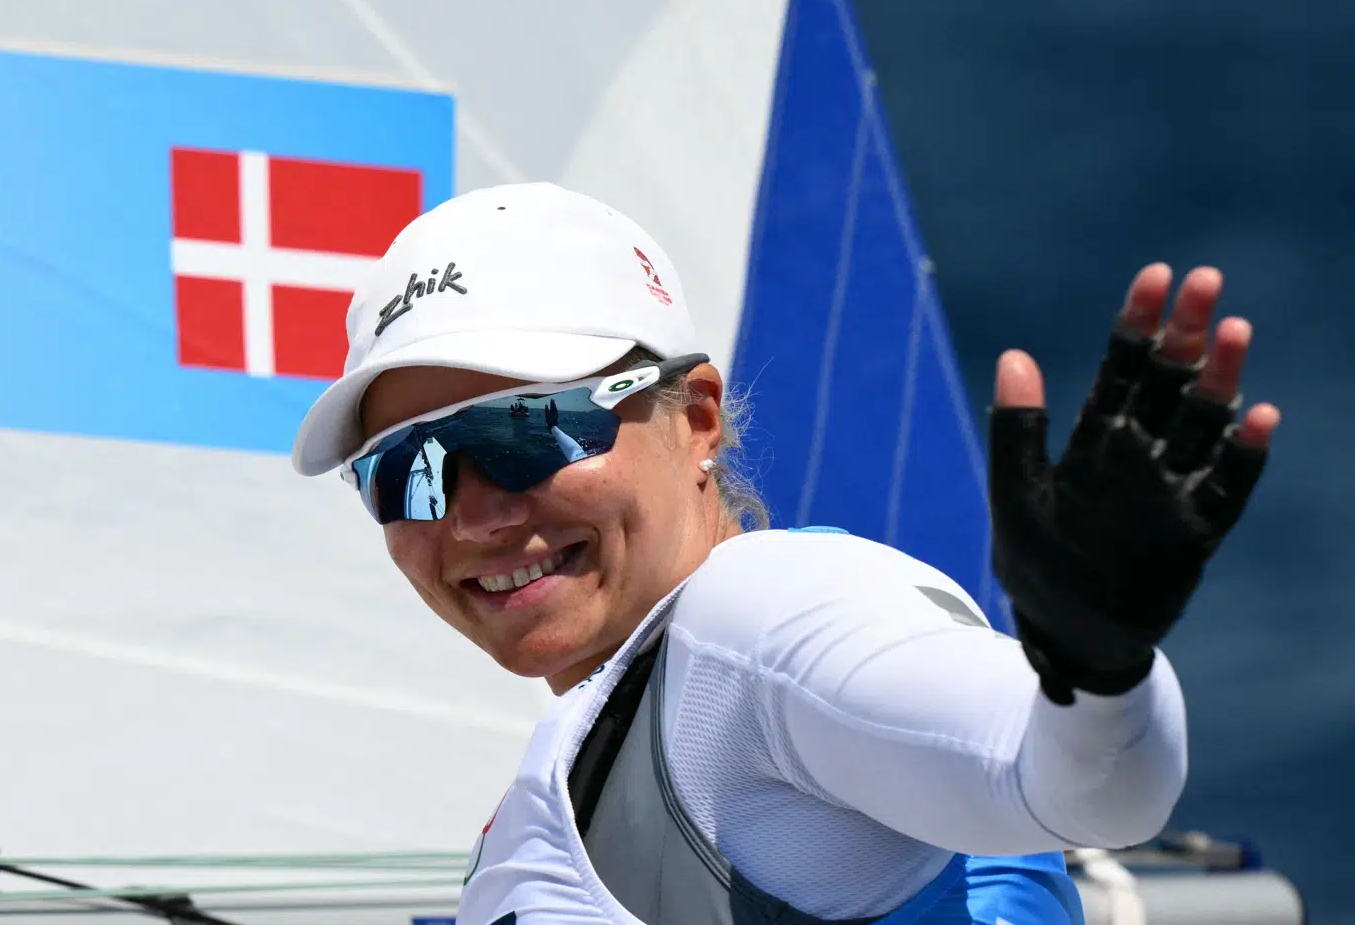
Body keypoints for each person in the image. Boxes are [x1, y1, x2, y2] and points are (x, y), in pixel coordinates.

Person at [291, 183, 1277, 925]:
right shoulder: (604, 731)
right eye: (406, 471)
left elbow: (1072, 785)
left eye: (528, 432)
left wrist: (1097, 671)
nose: (471, 517)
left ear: (700, 418)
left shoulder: (758, 625)